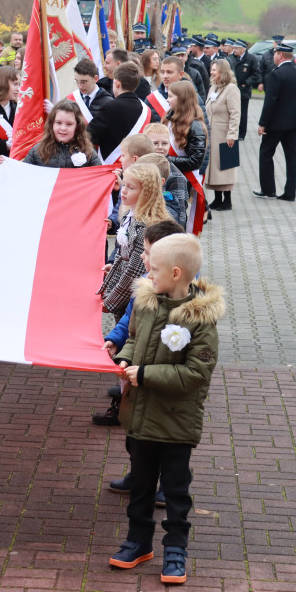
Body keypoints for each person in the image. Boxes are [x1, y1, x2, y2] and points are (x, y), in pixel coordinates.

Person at [108, 233, 224, 585]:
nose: (146, 269)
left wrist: (143, 373)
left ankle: (176, 547)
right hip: (142, 416)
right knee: (141, 485)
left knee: (175, 488)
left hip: (176, 422)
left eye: (153, 266)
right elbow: (133, 337)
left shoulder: (200, 320)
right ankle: (138, 541)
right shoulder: (146, 302)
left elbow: (195, 373)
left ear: (176, 273)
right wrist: (126, 356)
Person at [96, 219, 186, 507]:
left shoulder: (182, 299)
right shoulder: (145, 286)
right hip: (136, 374)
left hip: (164, 380)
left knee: (165, 437)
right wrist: (115, 341)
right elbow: (129, 322)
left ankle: (169, 485)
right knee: (135, 430)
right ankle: (139, 474)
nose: (143, 258)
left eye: (147, 253)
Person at [101, 163, 172, 319]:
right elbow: (122, 252)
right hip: (125, 292)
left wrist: (111, 301)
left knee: (130, 332)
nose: (123, 191)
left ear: (146, 193)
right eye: (124, 185)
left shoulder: (145, 226)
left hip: (137, 297)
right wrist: (113, 267)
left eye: (131, 187)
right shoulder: (129, 215)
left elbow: (135, 271)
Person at [255, 43, 296, 202]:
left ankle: (268, 190)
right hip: (293, 123)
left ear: (281, 56)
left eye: (275, 54)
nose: (273, 57)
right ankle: (290, 193)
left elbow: (270, 100)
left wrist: (263, 122)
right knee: (292, 157)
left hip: (275, 124)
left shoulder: (276, 74)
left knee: (265, 153)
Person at [3, 99, 101, 169]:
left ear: (78, 126)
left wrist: (114, 179)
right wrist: (6, 167)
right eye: (58, 123)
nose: (63, 128)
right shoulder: (37, 151)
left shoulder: (88, 152)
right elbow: (21, 177)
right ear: (52, 124)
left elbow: (100, 180)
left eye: (69, 124)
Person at [90, 62, 151, 162]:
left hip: (111, 167)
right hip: (137, 165)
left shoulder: (110, 107)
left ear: (117, 83)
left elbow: (90, 134)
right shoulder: (145, 109)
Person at [205, 59, 241, 211]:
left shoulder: (232, 89)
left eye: (215, 70)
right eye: (212, 70)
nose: (212, 72)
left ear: (223, 71)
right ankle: (217, 198)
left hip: (225, 134)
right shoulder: (213, 87)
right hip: (212, 134)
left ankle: (227, 200)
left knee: (226, 167)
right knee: (215, 169)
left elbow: (235, 114)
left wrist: (232, 134)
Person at [144, 123, 190, 223]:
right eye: (155, 143)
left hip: (164, 230)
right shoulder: (140, 168)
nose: (160, 147)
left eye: (164, 143)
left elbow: (180, 213)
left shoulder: (176, 177)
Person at [162, 80, 207, 174]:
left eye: (170, 96)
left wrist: (166, 160)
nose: (167, 100)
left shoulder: (196, 126)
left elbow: (195, 161)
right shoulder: (169, 118)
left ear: (182, 99)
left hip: (187, 180)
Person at [231, 40, 261, 141]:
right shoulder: (232, 58)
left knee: (242, 113)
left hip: (244, 90)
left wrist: (246, 84)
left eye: (236, 48)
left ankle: (241, 134)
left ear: (242, 49)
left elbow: (256, 74)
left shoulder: (251, 59)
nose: (234, 50)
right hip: (233, 89)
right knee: (233, 112)